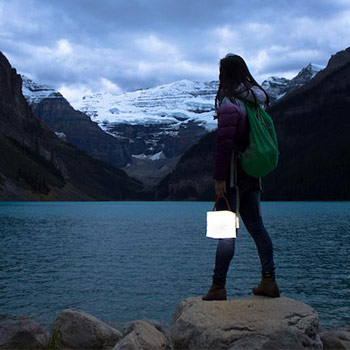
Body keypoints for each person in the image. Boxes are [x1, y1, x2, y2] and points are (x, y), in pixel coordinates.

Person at [202, 53, 280, 301]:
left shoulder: (229, 104)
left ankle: (218, 286)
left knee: (225, 231)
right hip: (253, 175)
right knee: (257, 227)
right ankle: (269, 280)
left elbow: (224, 145)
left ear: (224, 74)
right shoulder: (255, 101)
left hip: (233, 175)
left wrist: (219, 179)